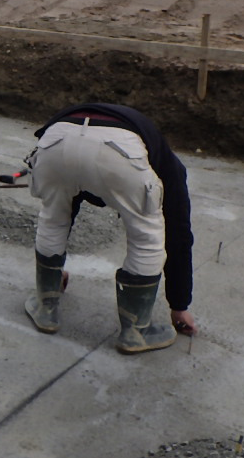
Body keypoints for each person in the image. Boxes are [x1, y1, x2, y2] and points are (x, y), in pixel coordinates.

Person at [22, 103, 197, 354]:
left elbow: (67, 208)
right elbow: (178, 231)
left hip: (56, 138)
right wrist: (180, 304)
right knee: (147, 238)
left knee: (53, 217)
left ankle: (45, 307)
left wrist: (54, 274)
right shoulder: (169, 167)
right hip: (119, 150)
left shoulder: (163, 159)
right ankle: (136, 331)